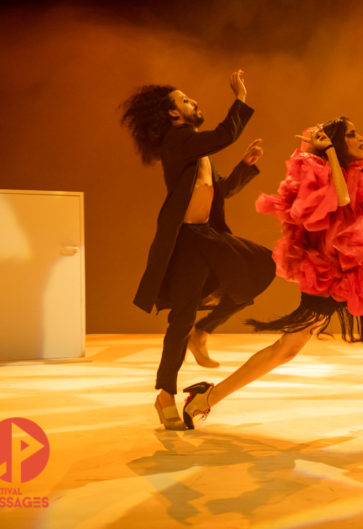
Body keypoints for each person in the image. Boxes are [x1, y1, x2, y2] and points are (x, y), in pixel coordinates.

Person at [181, 118, 363, 433]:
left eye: (358, 132)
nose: (360, 137)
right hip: (326, 278)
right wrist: (330, 152)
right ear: (333, 142)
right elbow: (341, 201)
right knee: (285, 350)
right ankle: (207, 396)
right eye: (351, 134)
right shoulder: (316, 173)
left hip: (353, 277)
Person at [120, 70, 275, 430]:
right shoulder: (178, 140)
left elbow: (218, 191)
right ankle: (165, 394)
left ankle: (203, 331)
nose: (193, 102)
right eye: (185, 100)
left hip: (207, 235)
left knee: (256, 271)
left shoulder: (196, 151)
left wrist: (244, 168)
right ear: (174, 115)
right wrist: (241, 97)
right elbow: (225, 134)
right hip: (190, 241)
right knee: (181, 318)